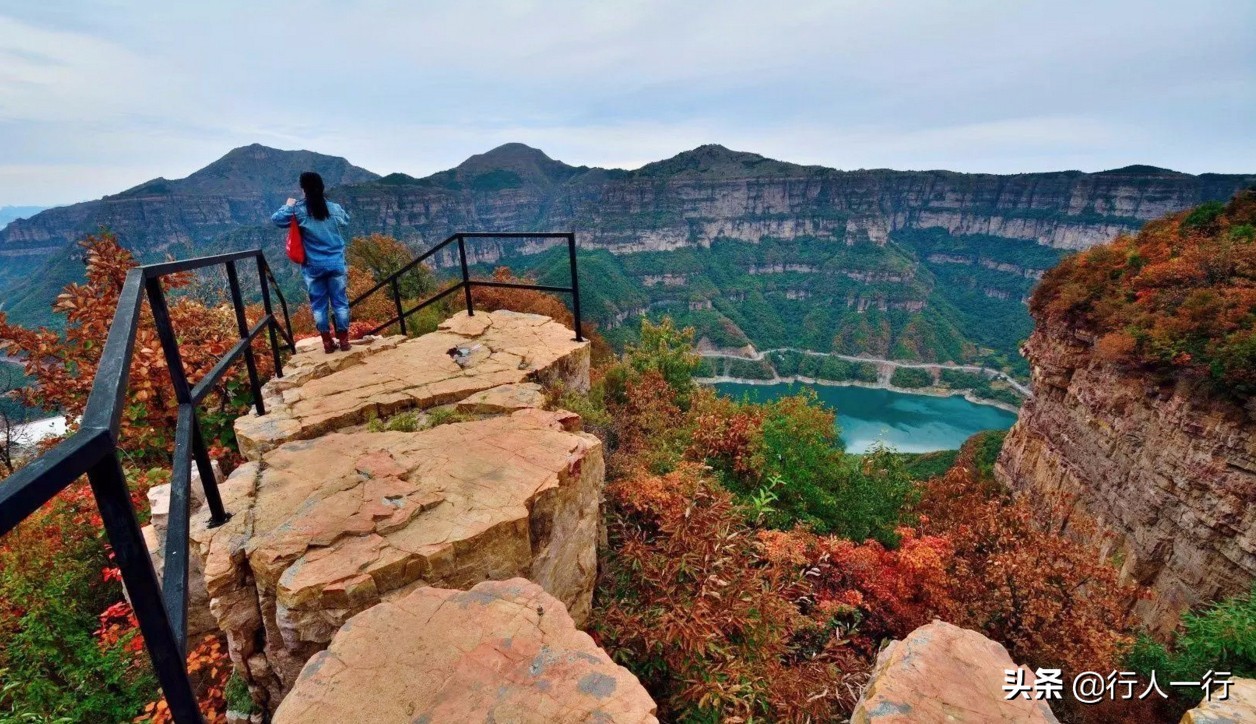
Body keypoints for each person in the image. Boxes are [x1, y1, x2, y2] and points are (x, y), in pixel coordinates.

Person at [271, 172, 353, 353]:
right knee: (340, 302)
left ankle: (327, 343)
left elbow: (277, 220)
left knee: (319, 305)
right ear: (322, 187)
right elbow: (346, 221)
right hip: (336, 262)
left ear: (303, 188)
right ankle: (344, 341)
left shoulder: (298, 209)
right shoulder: (333, 208)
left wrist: (288, 204)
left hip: (313, 265)